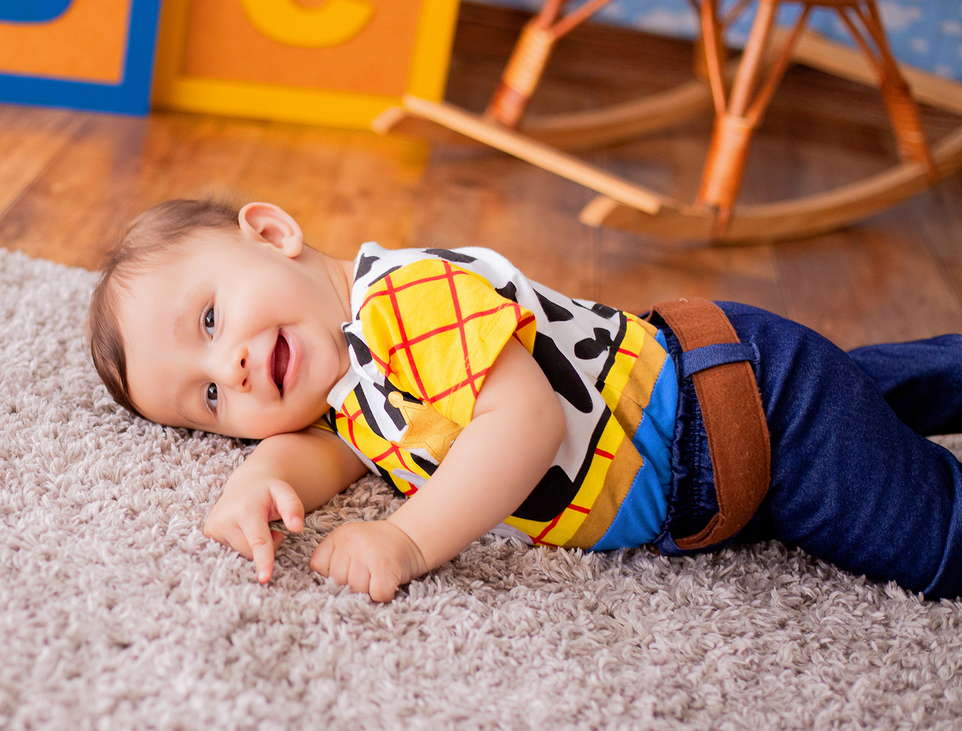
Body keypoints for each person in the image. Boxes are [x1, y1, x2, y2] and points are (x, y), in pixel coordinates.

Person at [87, 197, 962, 603]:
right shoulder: (347, 385)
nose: (232, 369)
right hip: (722, 465)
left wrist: (407, 537)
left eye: (211, 317)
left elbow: (528, 421)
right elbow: (332, 447)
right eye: (206, 398)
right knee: (879, 399)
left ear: (274, 236)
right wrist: (257, 483)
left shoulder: (402, 302)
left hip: (751, 416)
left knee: (932, 541)